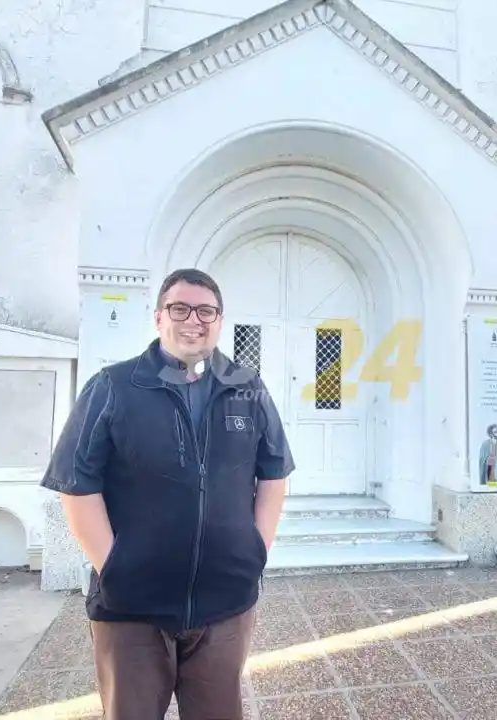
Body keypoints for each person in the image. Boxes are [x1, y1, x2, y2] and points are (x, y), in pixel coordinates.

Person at [40, 267, 294, 720]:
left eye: (205, 310)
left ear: (219, 320)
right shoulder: (113, 387)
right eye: (179, 308)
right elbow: (77, 485)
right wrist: (113, 567)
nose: (192, 319)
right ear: (159, 317)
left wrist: (254, 551)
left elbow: (274, 474)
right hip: (133, 609)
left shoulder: (247, 388)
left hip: (225, 605)